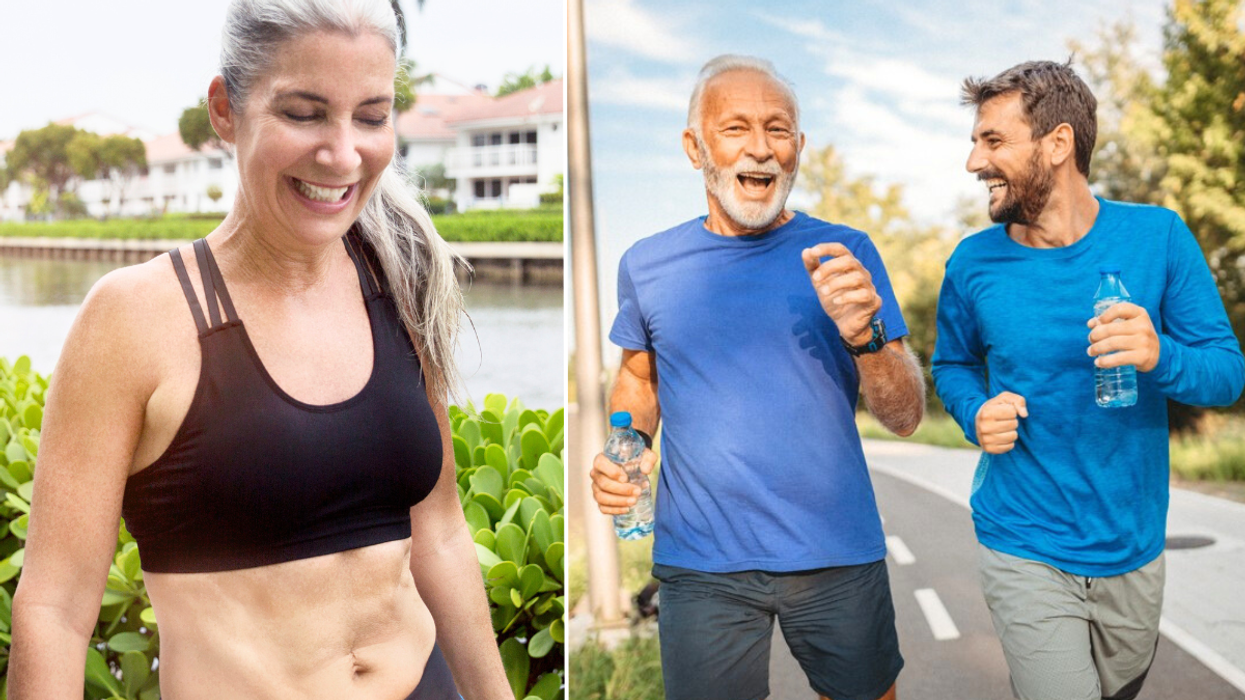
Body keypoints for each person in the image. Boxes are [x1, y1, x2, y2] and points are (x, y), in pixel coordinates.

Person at [9, 1, 512, 698]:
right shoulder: (134, 319)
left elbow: (442, 533)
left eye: (370, 115)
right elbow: (55, 610)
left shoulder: (398, 277)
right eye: (304, 113)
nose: (342, 154)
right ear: (224, 109)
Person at [589, 54, 925, 700]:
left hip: (835, 553)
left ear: (798, 149)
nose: (761, 148)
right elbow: (640, 379)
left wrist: (866, 336)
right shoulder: (646, 264)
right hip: (700, 562)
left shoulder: (843, 252)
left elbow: (905, 415)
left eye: (777, 130)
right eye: (736, 128)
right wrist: (625, 449)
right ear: (696, 147)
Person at [932, 60, 1245, 700]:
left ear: (1058, 143)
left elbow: (1227, 374)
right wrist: (975, 412)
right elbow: (953, 366)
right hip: (1022, 534)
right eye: (974, 142)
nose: (973, 163)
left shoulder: (1157, 237)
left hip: (1132, 540)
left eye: (992, 141)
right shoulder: (973, 263)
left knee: (1118, 689)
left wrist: (1162, 355)